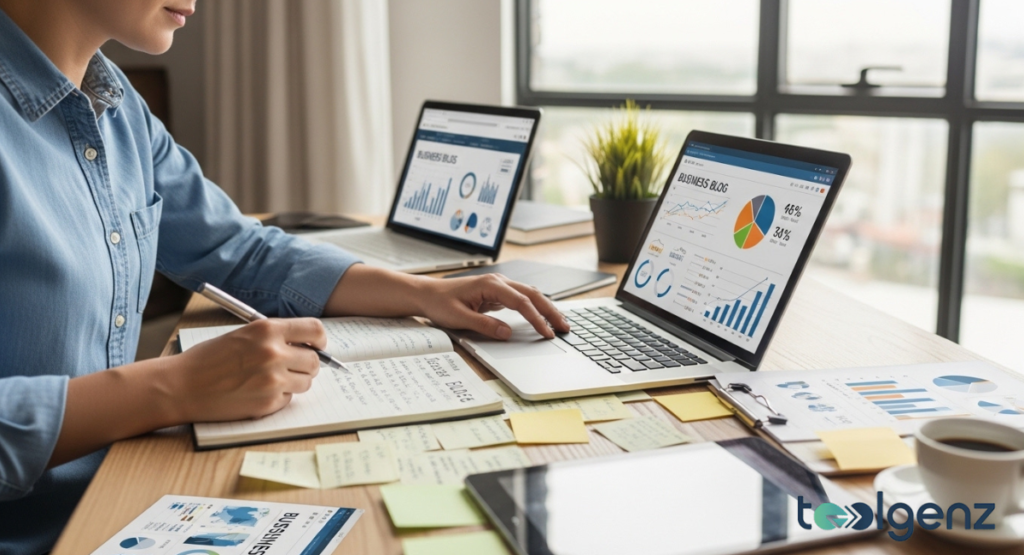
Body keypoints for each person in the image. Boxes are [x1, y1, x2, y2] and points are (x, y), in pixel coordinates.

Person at [0, 1, 570, 552]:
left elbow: (240, 250)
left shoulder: (120, 112)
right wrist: (172, 387)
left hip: (117, 494)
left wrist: (426, 294)